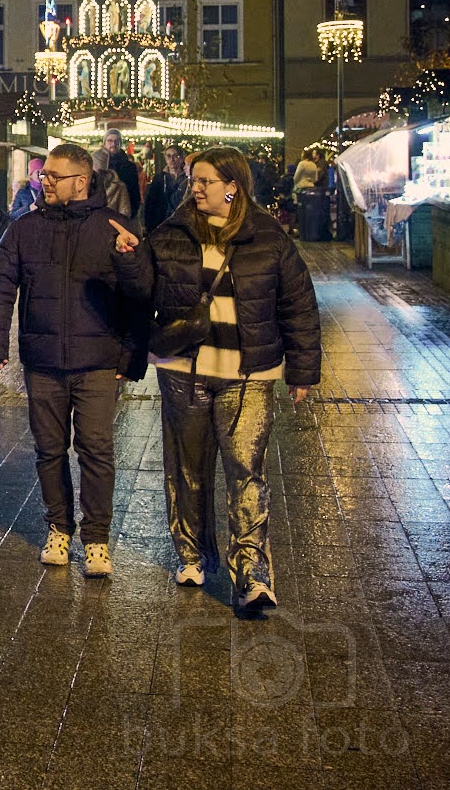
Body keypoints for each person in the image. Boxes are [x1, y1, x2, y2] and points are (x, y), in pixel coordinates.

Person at [112, 146, 320, 612]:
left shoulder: (269, 237)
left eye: (205, 180)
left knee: (247, 474)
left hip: (248, 375)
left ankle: (252, 574)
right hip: (184, 371)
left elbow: (298, 306)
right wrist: (129, 259)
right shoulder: (173, 232)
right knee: (187, 471)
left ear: (233, 186)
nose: (196, 187)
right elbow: (144, 290)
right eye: (193, 179)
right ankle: (192, 555)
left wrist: (302, 371)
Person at [0, 143, 145, 579]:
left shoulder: (115, 228)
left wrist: (131, 354)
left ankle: (96, 539)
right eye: (43, 175)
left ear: (81, 181)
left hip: (98, 361)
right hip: (44, 360)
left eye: (53, 175)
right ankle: (58, 528)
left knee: (96, 450)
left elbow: (141, 296)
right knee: (49, 449)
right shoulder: (24, 228)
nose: (43, 181)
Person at [142, 143, 189, 233]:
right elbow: (151, 202)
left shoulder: (186, 178)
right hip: (161, 220)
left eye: (175, 156)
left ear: (182, 158)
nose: (172, 159)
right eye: (168, 156)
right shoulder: (159, 178)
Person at [103, 128, 143, 216]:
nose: (113, 144)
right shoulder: (98, 165)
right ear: (104, 143)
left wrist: (132, 212)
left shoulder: (130, 167)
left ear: (120, 144)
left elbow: (134, 192)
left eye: (116, 141)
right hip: (102, 212)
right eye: (110, 141)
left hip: (124, 211)